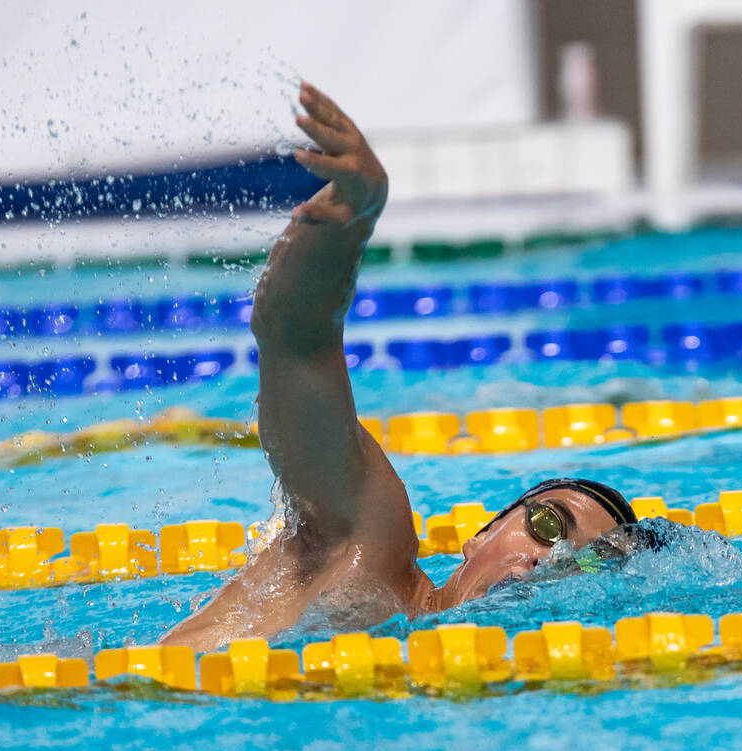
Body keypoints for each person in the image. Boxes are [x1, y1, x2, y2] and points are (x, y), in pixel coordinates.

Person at [163, 83, 643, 654]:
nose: (551, 561)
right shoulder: (369, 551)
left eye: (587, 565)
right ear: (482, 535)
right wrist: (354, 216)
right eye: (548, 526)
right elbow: (294, 338)